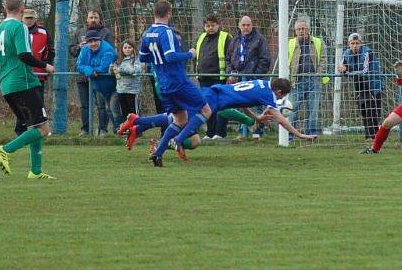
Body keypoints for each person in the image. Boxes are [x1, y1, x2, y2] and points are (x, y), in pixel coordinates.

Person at [118, 78, 316, 162]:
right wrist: (300, 134)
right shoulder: (271, 96)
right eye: (281, 97)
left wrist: (255, 117)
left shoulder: (261, 82)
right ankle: (165, 140)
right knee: (180, 121)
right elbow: (281, 118)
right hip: (212, 100)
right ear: (280, 92)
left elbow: (240, 101)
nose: (279, 100)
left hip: (214, 91)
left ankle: (138, 123)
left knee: (179, 120)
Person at [0, 0, 56, 179]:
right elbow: (24, 55)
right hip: (24, 83)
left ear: (5, 8)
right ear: (22, 9)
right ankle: (6, 149)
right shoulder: (20, 27)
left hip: (8, 87)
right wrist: (46, 66)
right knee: (43, 129)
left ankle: (35, 171)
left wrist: (0, 80)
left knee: (34, 126)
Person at [138, 0, 211, 167]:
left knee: (180, 119)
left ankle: (158, 153)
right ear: (169, 13)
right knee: (206, 110)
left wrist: (158, 62)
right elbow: (171, 56)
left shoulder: (147, 33)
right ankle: (178, 139)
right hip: (177, 82)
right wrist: (189, 54)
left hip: (162, 85)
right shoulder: (167, 33)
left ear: (154, 13)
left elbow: (143, 58)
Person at [68, 9, 114, 136]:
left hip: (99, 76)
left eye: (95, 17)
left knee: (101, 104)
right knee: (84, 105)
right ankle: (85, 130)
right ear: (87, 19)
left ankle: (102, 130)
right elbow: (71, 50)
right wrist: (79, 47)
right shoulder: (80, 32)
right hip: (83, 76)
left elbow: (109, 53)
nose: (93, 19)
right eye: (91, 17)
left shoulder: (106, 33)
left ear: (99, 19)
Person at [226, 15, 272, 139]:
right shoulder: (235, 40)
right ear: (239, 26)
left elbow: (265, 59)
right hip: (239, 78)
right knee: (241, 105)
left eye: (248, 25)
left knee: (256, 103)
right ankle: (242, 132)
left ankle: (257, 132)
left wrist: (256, 75)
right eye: (243, 25)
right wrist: (231, 73)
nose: (246, 27)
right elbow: (229, 59)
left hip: (253, 78)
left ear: (252, 25)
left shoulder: (259, 39)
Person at [14, 9, 54, 135]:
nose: (29, 20)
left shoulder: (44, 32)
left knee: (38, 103)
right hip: (20, 75)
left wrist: (46, 65)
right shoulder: (16, 31)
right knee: (21, 104)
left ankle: (38, 130)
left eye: (31, 18)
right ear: (22, 18)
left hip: (38, 76)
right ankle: (20, 131)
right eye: (27, 18)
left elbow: (50, 51)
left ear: (35, 19)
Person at [337, 32, 383, 141]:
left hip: (372, 84)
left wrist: (347, 70)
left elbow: (365, 71)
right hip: (359, 85)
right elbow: (341, 68)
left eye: (357, 43)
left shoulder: (367, 53)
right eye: (352, 43)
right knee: (363, 109)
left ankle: (374, 136)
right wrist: (343, 69)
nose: (354, 45)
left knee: (372, 110)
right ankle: (370, 136)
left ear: (361, 43)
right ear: (348, 44)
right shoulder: (346, 53)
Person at [287, 17, 329, 137]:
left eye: (303, 29)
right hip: (296, 81)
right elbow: (285, 61)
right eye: (299, 29)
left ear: (308, 30)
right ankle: (290, 134)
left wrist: (318, 74)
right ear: (295, 31)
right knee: (292, 108)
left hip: (313, 80)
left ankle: (312, 134)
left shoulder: (318, 42)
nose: (301, 31)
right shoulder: (290, 43)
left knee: (313, 110)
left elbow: (324, 59)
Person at [195, 14, 231, 140]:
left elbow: (230, 57)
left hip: (219, 77)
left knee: (221, 105)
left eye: (212, 25)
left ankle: (220, 132)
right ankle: (210, 132)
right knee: (207, 105)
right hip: (204, 77)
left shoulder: (225, 37)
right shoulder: (201, 38)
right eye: (207, 25)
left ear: (218, 25)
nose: (210, 28)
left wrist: (229, 73)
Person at [76, 30, 118, 135]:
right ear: (87, 42)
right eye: (90, 41)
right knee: (101, 107)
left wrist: (92, 69)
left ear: (100, 40)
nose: (93, 43)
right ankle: (103, 131)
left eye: (95, 41)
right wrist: (89, 71)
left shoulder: (108, 50)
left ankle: (120, 130)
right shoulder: (85, 49)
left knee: (113, 109)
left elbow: (104, 68)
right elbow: (79, 65)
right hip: (97, 84)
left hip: (112, 85)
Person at [110, 39, 143, 121]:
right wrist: (111, 69)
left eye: (129, 47)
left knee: (134, 112)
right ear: (122, 49)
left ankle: (137, 130)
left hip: (133, 91)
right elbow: (112, 72)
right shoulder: (119, 60)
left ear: (133, 49)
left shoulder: (137, 60)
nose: (127, 49)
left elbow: (134, 70)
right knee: (124, 112)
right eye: (125, 48)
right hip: (121, 90)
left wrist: (121, 69)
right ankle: (127, 130)